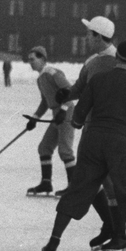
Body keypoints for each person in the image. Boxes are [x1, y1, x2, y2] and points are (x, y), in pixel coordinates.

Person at [41, 40, 126, 251]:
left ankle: (54, 240)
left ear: (117, 58)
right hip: (121, 145)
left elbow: (79, 114)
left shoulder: (97, 80)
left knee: (78, 189)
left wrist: (78, 123)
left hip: (93, 143)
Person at [24, 46, 76, 196]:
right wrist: (34, 118)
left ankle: (73, 187)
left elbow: (71, 91)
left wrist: (64, 111)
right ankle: (46, 183)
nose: (30, 63)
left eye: (33, 59)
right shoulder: (40, 79)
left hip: (66, 112)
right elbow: (45, 102)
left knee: (65, 150)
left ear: (43, 59)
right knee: (44, 148)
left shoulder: (52, 73)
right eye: (29, 60)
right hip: (57, 114)